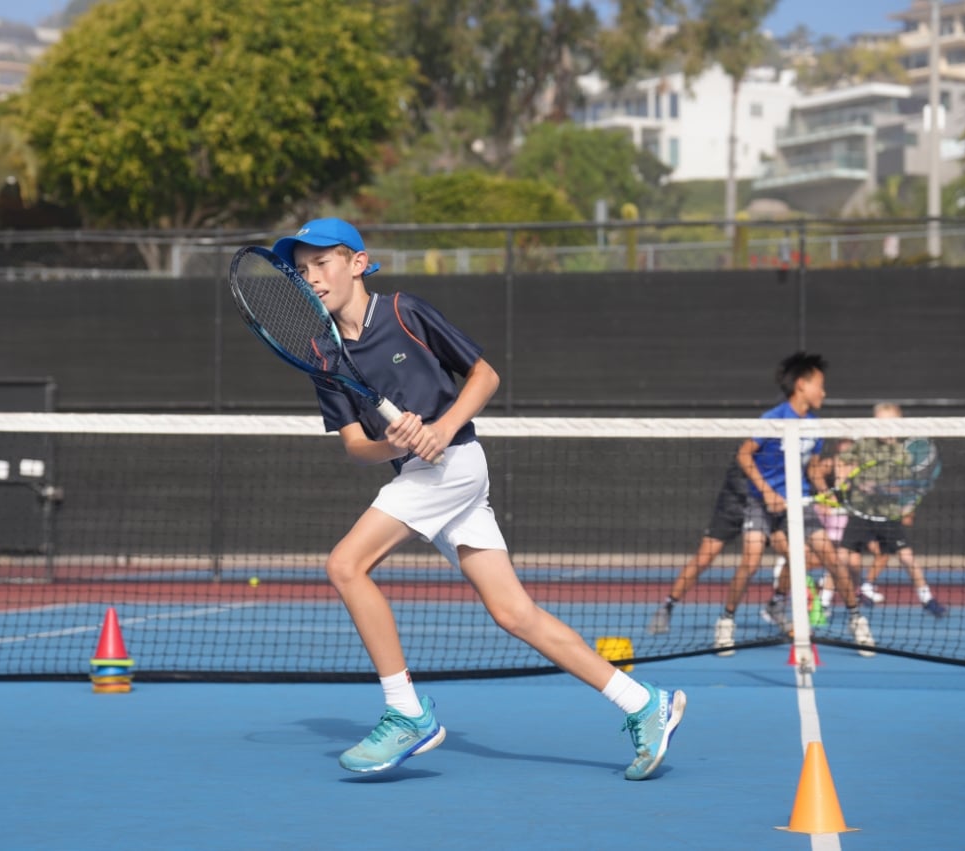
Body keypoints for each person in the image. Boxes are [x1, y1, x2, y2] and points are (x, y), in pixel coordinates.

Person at [271, 217, 686, 779]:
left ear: (358, 262)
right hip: (420, 470)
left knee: (345, 565)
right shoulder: (324, 356)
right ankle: (643, 703)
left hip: (455, 464)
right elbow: (354, 446)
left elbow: (484, 375)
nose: (311, 277)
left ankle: (406, 713)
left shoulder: (404, 312)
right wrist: (387, 442)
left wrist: (440, 429)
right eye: (302, 270)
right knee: (515, 613)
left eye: (321, 263)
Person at [720, 352, 875, 656]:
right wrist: (766, 492)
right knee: (751, 560)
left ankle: (856, 620)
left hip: (799, 501)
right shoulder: (773, 419)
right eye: (820, 385)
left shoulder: (815, 427)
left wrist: (826, 490)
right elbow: (744, 454)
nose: (824, 392)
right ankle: (726, 622)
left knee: (829, 556)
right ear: (802, 385)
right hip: (761, 501)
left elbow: (813, 468)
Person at [646, 460, 791, 656]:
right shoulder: (752, 447)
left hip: (765, 508)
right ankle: (667, 606)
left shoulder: (785, 447)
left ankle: (776, 603)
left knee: (793, 555)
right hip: (735, 504)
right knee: (705, 558)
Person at [834, 403, 946, 617]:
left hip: (888, 513)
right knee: (842, 556)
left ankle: (926, 598)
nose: (884, 429)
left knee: (907, 557)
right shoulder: (864, 445)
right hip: (861, 511)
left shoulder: (901, 455)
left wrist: (881, 489)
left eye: (889, 424)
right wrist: (842, 479)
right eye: (879, 424)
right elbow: (842, 460)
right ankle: (840, 597)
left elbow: (902, 487)